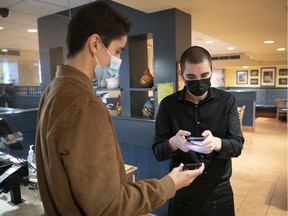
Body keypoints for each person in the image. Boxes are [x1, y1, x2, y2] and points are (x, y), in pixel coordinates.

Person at [35, 2, 204, 216]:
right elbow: (109, 206)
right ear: (95, 43)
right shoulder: (85, 104)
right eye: (117, 51)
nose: (119, 60)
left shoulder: (53, 91)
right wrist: (169, 184)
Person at [152, 46, 245, 216]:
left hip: (218, 192)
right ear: (181, 74)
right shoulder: (168, 105)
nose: (198, 82)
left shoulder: (227, 101)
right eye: (191, 77)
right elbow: (158, 152)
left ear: (212, 70)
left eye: (204, 76)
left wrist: (217, 143)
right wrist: (173, 143)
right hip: (181, 191)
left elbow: (237, 145)